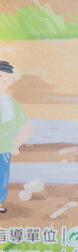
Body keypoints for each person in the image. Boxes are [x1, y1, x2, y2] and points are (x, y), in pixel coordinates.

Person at [0, 61, 34, 214]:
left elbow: (27, 127)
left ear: (11, 80)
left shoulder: (9, 103)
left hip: (3, 150)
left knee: (1, 177)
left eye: (0, 77)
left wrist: (16, 144)